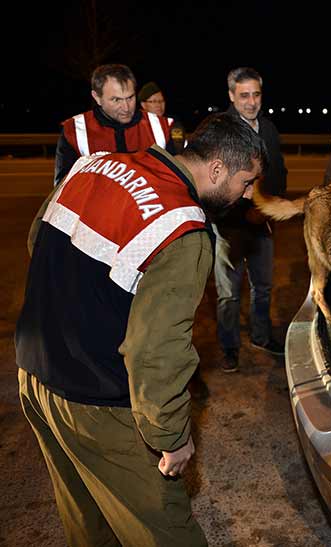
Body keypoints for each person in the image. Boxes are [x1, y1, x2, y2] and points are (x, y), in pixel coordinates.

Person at [16, 114, 265, 546]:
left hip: (35, 375)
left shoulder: (93, 165)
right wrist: (171, 436)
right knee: (164, 531)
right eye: (247, 182)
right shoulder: (183, 229)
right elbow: (156, 350)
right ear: (218, 168)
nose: (248, 195)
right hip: (96, 400)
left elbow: (37, 242)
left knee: (87, 520)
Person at [214, 67, 287, 372]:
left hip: (262, 223)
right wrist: (241, 206)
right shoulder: (219, 129)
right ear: (232, 95)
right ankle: (229, 347)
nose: (251, 101)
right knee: (229, 294)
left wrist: (269, 206)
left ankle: (261, 336)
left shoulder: (268, 128)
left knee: (264, 287)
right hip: (229, 226)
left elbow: (280, 172)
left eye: (256, 94)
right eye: (244, 95)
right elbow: (211, 181)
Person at [54, 64, 175, 186]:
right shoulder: (75, 131)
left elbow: (178, 184)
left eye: (130, 98)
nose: (126, 108)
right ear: (97, 97)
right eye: (116, 100)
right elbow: (62, 190)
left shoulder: (162, 127)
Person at [139, 81, 187, 152]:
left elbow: (178, 148)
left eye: (161, 101)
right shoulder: (136, 123)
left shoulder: (172, 122)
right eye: (154, 101)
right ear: (143, 105)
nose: (159, 105)